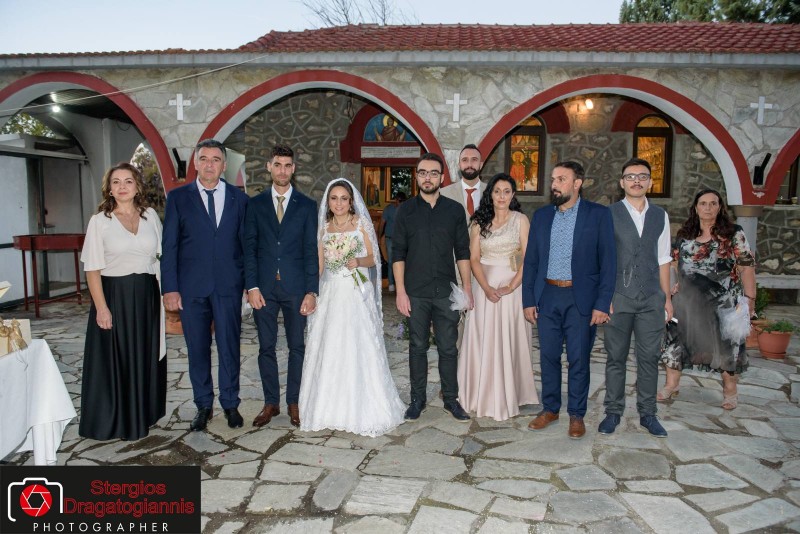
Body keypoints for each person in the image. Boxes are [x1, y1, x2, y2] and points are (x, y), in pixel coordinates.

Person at [300, 178, 406, 436]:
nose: (339, 203)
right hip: (332, 293)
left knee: (356, 344)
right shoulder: (324, 229)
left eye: (343, 199)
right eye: (334, 198)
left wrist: (358, 260)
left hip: (355, 292)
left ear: (351, 202)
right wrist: (311, 292)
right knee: (331, 345)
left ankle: (361, 405)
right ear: (328, 202)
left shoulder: (360, 224)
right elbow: (320, 265)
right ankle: (328, 408)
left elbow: (374, 258)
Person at [522, 161, 616, 439]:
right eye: (553, 179)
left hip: (581, 298)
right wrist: (528, 299)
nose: (554, 184)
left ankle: (577, 415)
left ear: (577, 184)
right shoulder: (541, 216)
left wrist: (602, 303)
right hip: (548, 295)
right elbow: (531, 261)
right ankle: (550, 409)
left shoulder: (598, 215)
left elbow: (608, 262)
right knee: (548, 356)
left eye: (561, 179)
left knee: (579, 359)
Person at [162, 139, 249, 431]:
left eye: (215, 159)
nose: (209, 164)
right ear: (196, 163)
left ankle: (231, 404)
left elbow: (246, 246)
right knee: (197, 349)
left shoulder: (240, 200)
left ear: (224, 166)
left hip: (228, 286)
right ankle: (203, 405)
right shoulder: (178, 198)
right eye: (204, 159)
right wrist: (170, 288)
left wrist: (249, 284)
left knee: (229, 347)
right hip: (191, 288)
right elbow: (170, 246)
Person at [80, 162, 166, 441]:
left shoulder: (150, 217)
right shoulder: (100, 222)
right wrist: (102, 308)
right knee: (119, 359)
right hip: (115, 297)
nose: (122, 187)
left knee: (144, 356)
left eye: (128, 181)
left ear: (137, 186)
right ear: (109, 188)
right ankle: (120, 421)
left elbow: (161, 257)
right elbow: (92, 269)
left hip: (147, 296)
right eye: (116, 182)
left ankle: (143, 415)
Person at [393, 152, 473, 422]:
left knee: (449, 348)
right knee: (417, 347)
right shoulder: (405, 211)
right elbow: (398, 254)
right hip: (415, 293)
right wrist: (400, 291)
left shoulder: (454, 211)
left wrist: (467, 289)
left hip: (445, 292)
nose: (428, 178)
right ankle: (417, 400)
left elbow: (463, 252)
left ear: (442, 177)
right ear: (416, 177)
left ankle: (451, 399)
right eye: (423, 173)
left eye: (433, 173)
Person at [660, 189, 756, 410]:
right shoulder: (684, 234)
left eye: (713, 203)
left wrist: (750, 299)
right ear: (696, 208)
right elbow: (673, 264)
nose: (708, 208)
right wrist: (674, 284)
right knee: (675, 341)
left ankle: (730, 390)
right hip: (687, 301)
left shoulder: (734, 233)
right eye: (703, 203)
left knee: (727, 345)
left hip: (723, 302)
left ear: (720, 207)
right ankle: (671, 384)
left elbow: (746, 267)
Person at [244, 144, 318, 428]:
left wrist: (311, 291)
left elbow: (311, 251)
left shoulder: (307, 206)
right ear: (269, 167)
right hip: (263, 289)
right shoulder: (255, 205)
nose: (283, 170)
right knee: (266, 347)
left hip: (296, 288)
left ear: (294, 169)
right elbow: (249, 248)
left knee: (297, 346)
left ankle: (294, 402)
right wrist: (251, 286)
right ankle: (271, 403)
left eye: (287, 165)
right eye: (278, 165)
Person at [599, 158, 671, 438]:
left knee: (649, 358)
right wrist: (604, 297)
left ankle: (648, 414)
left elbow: (663, 258)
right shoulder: (609, 214)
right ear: (622, 182)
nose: (636, 181)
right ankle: (613, 412)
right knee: (615, 357)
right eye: (630, 176)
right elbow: (602, 259)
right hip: (618, 297)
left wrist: (666, 298)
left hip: (651, 298)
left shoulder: (660, 216)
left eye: (642, 176)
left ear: (650, 182)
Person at [458, 173, 538, 421]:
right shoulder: (478, 222)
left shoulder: (521, 220)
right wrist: (485, 287)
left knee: (509, 338)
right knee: (483, 338)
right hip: (484, 287)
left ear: (513, 195)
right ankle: (479, 394)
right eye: (497, 191)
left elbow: (529, 257)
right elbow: (473, 258)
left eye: (507, 191)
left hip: (513, 290)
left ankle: (512, 393)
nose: (502, 196)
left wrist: (511, 287)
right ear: (490, 194)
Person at [440, 144, 487, 221]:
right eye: (465, 160)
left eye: (474, 160)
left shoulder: (492, 192)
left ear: (481, 165)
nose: (469, 165)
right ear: (459, 165)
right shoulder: (444, 194)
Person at [380, 191, 407, 292]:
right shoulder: (388, 209)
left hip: (402, 238)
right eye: (400, 201)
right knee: (391, 261)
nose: (401, 203)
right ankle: (391, 283)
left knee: (402, 260)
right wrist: (379, 235)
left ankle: (401, 283)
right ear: (396, 200)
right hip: (390, 238)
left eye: (403, 201)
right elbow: (382, 223)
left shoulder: (405, 209)